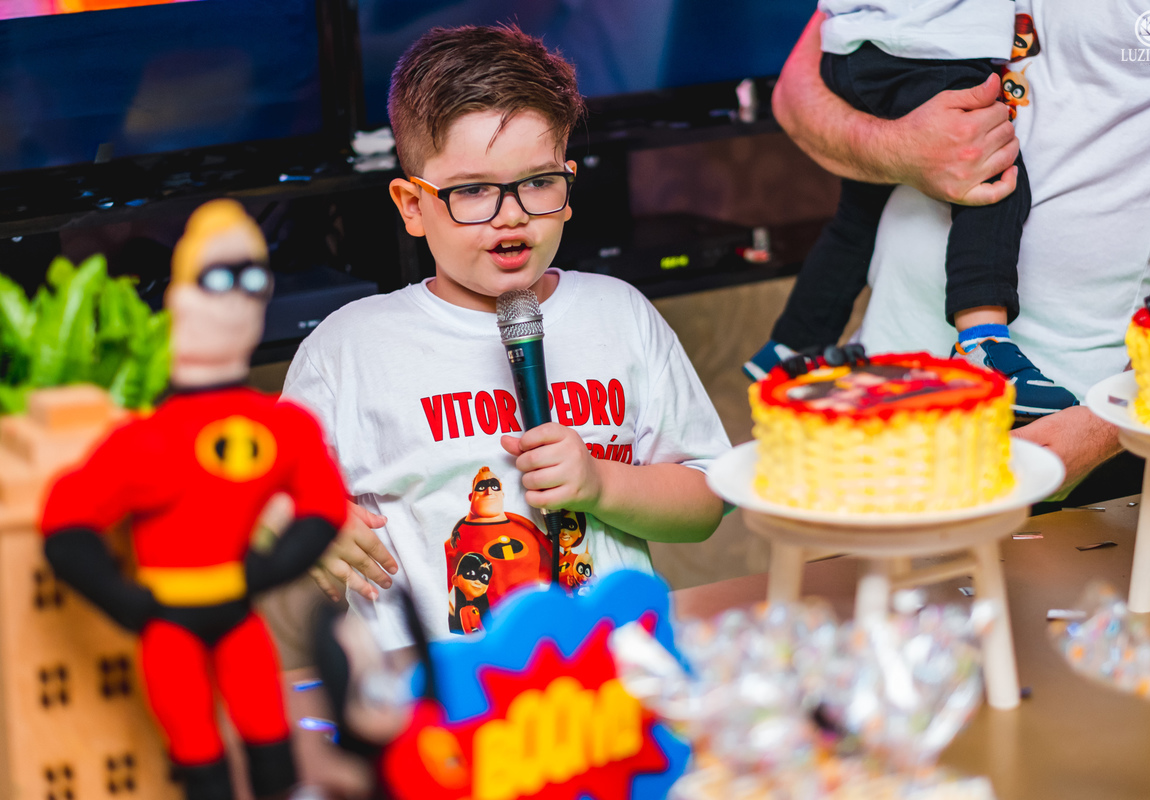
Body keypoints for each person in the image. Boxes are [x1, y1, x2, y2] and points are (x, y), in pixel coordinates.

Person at [282, 24, 730, 649]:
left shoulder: (620, 314)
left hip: (612, 670)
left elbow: (707, 502)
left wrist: (603, 484)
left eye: (538, 182)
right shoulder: (347, 349)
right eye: (472, 191)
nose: (512, 214)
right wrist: (308, 525)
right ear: (411, 205)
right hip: (443, 687)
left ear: (568, 186)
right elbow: (262, 495)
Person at [767, 4, 1150, 496]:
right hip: (880, 378)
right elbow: (795, 93)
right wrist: (896, 147)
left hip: (1054, 414)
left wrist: (1110, 424)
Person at [40, 200, 349, 800]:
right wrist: (127, 602)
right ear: (180, 300)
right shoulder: (144, 442)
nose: (234, 300)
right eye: (218, 279)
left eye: (251, 280)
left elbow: (322, 506)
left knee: (268, 733)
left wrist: (265, 570)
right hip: (169, 625)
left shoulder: (279, 428)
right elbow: (65, 523)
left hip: (239, 618)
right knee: (195, 746)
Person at [745, 3, 1077, 419]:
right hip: (925, 51)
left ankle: (791, 347)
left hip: (851, 54)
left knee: (859, 214)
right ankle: (982, 347)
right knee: (994, 176)